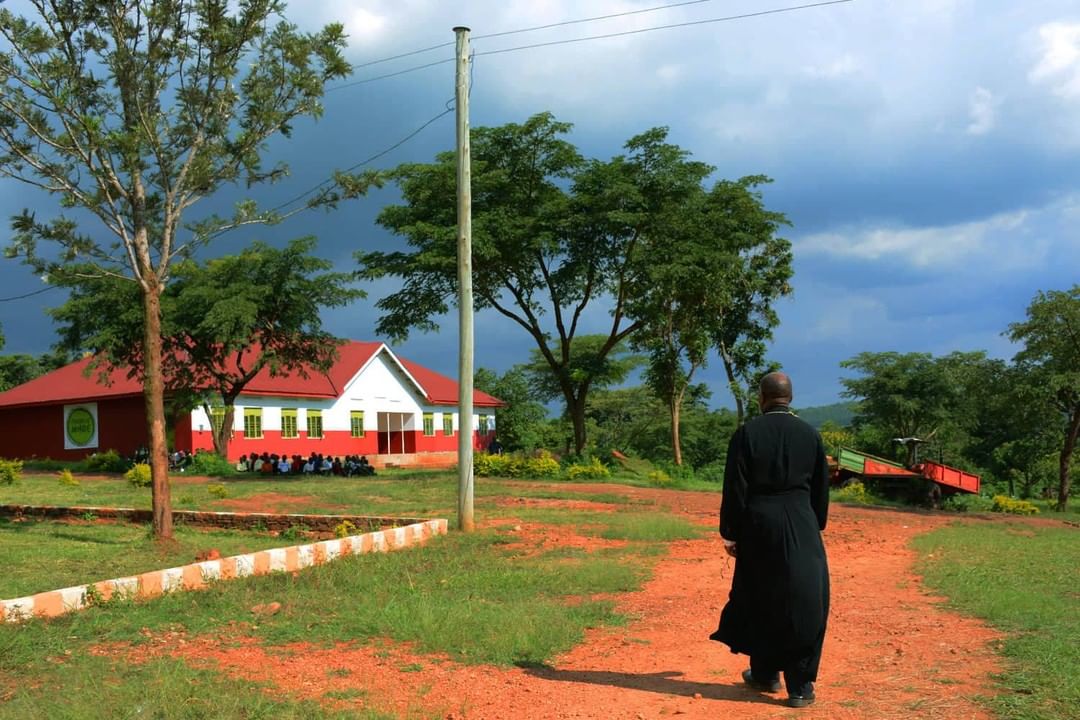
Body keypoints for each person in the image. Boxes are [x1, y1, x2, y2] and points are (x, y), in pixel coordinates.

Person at [710, 372, 830, 709]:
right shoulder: (810, 434)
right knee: (806, 601)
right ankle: (800, 685)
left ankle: (765, 673)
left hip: (759, 524)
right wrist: (814, 524)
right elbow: (821, 488)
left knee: (760, 597)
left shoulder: (747, 433)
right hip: (802, 522)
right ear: (790, 397)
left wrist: (732, 532)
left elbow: (735, 487)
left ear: (762, 397)